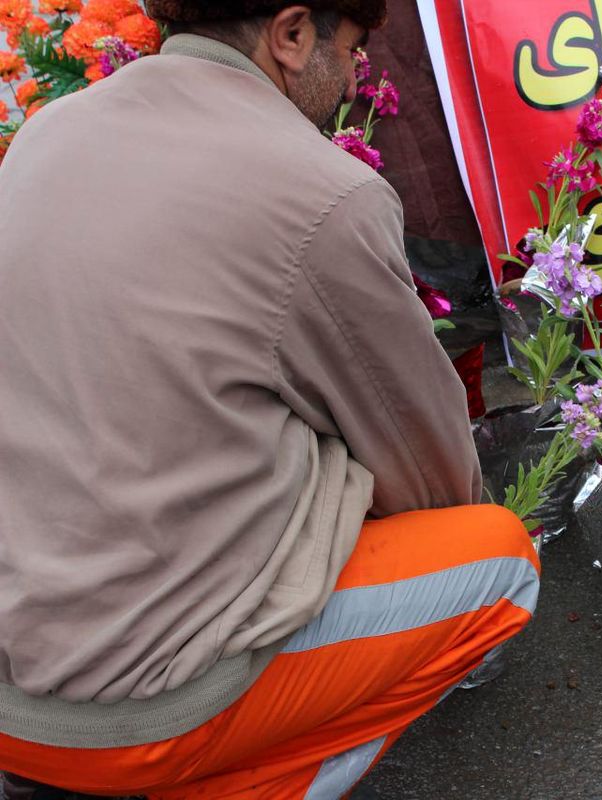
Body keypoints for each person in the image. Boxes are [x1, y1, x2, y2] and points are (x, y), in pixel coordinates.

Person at [0, 2, 539, 797]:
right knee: (498, 561)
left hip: (15, 685)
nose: (360, 73)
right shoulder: (323, 190)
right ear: (291, 35)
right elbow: (428, 466)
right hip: (134, 715)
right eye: (353, 48)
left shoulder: (47, 133)